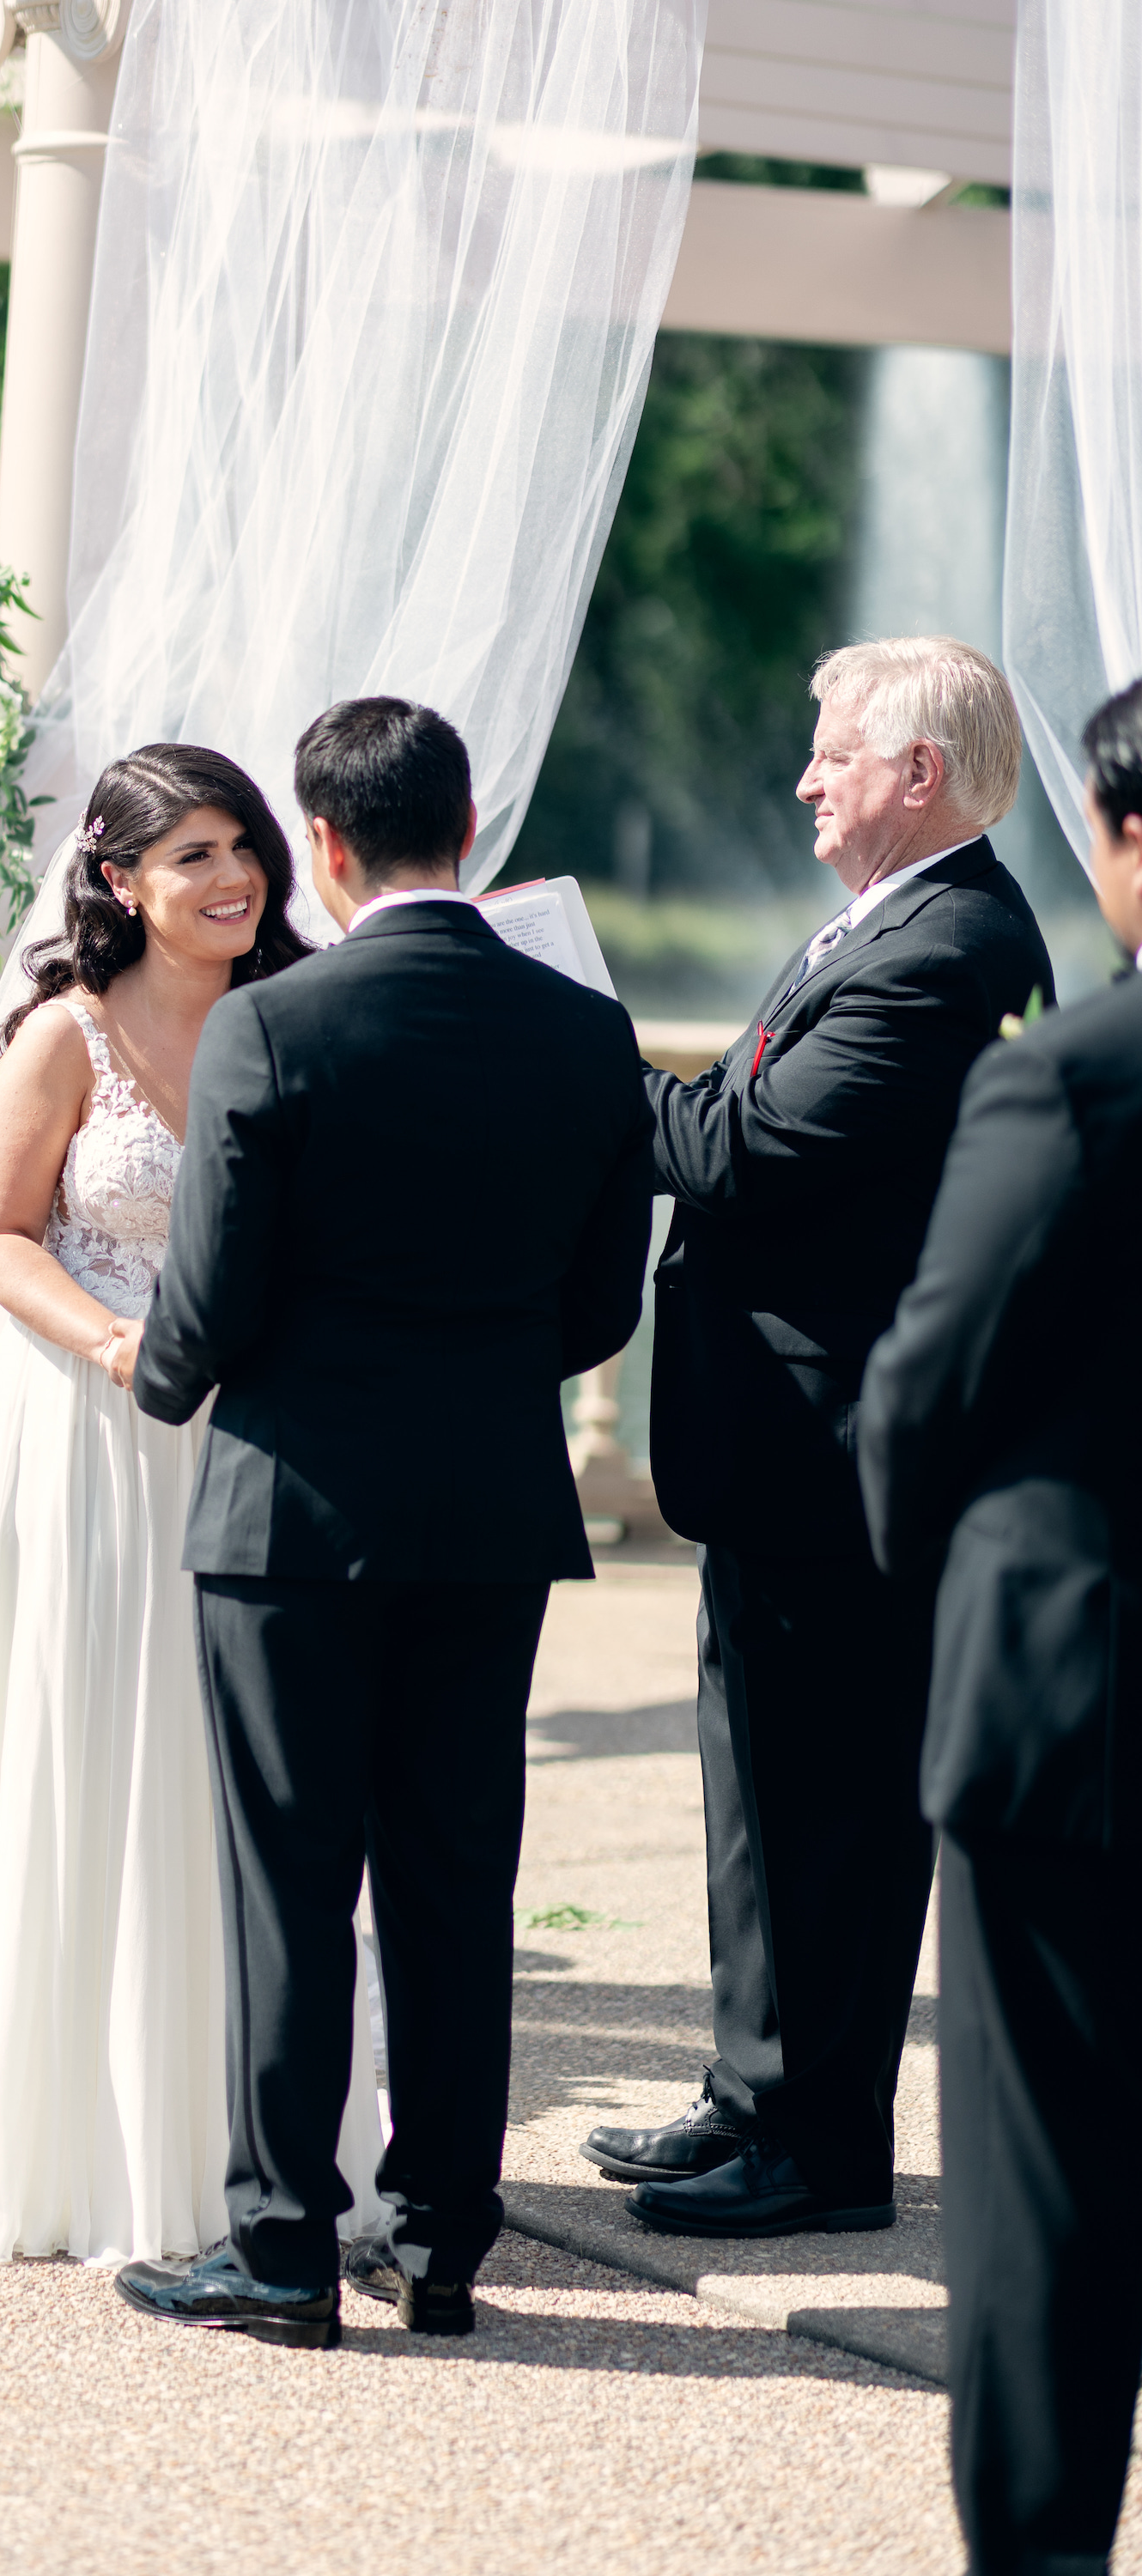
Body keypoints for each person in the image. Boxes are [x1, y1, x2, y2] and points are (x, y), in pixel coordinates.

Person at [112, 697, 653, 2350]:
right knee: (452, 1880)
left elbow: (204, 1307)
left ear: (324, 847)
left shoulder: (270, 1031)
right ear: (468, 829)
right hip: (490, 1509)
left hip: (291, 1516)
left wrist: (167, 1387)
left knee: (289, 1885)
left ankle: (280, 2253)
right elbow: (597, 1306)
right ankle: (440, 2248)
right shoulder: (582, 1031)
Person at [0, 741, 389, 2264]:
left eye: (244, 846)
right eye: (190, 853)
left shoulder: (303, 1014)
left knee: (241, 1783)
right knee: (97, 1740)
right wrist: (116, 1342)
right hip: (92, 1435)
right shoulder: (65, 1034)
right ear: (121, 882)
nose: (230, 878)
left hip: (259, 1444)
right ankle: (74, 2137)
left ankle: (249, 2144)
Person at [584, 636, 1054, 2240]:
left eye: (833, 754)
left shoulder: (946, 945)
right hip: (781, 1452)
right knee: (765, 1795)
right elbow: (739, 1099)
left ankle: (822, 2150)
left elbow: (750, 1144)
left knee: (834, 1813)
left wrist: (579, 1059)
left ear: (918, 774)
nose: (804, 779)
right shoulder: (895, 920)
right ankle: (754, 2096)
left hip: (838, 1456)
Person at [858, 677, 1142, 2576]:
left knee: (1045, 2187)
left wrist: (920, 1592)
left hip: (1075, 1699)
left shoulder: (1069, 1077)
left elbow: (922, 1394)